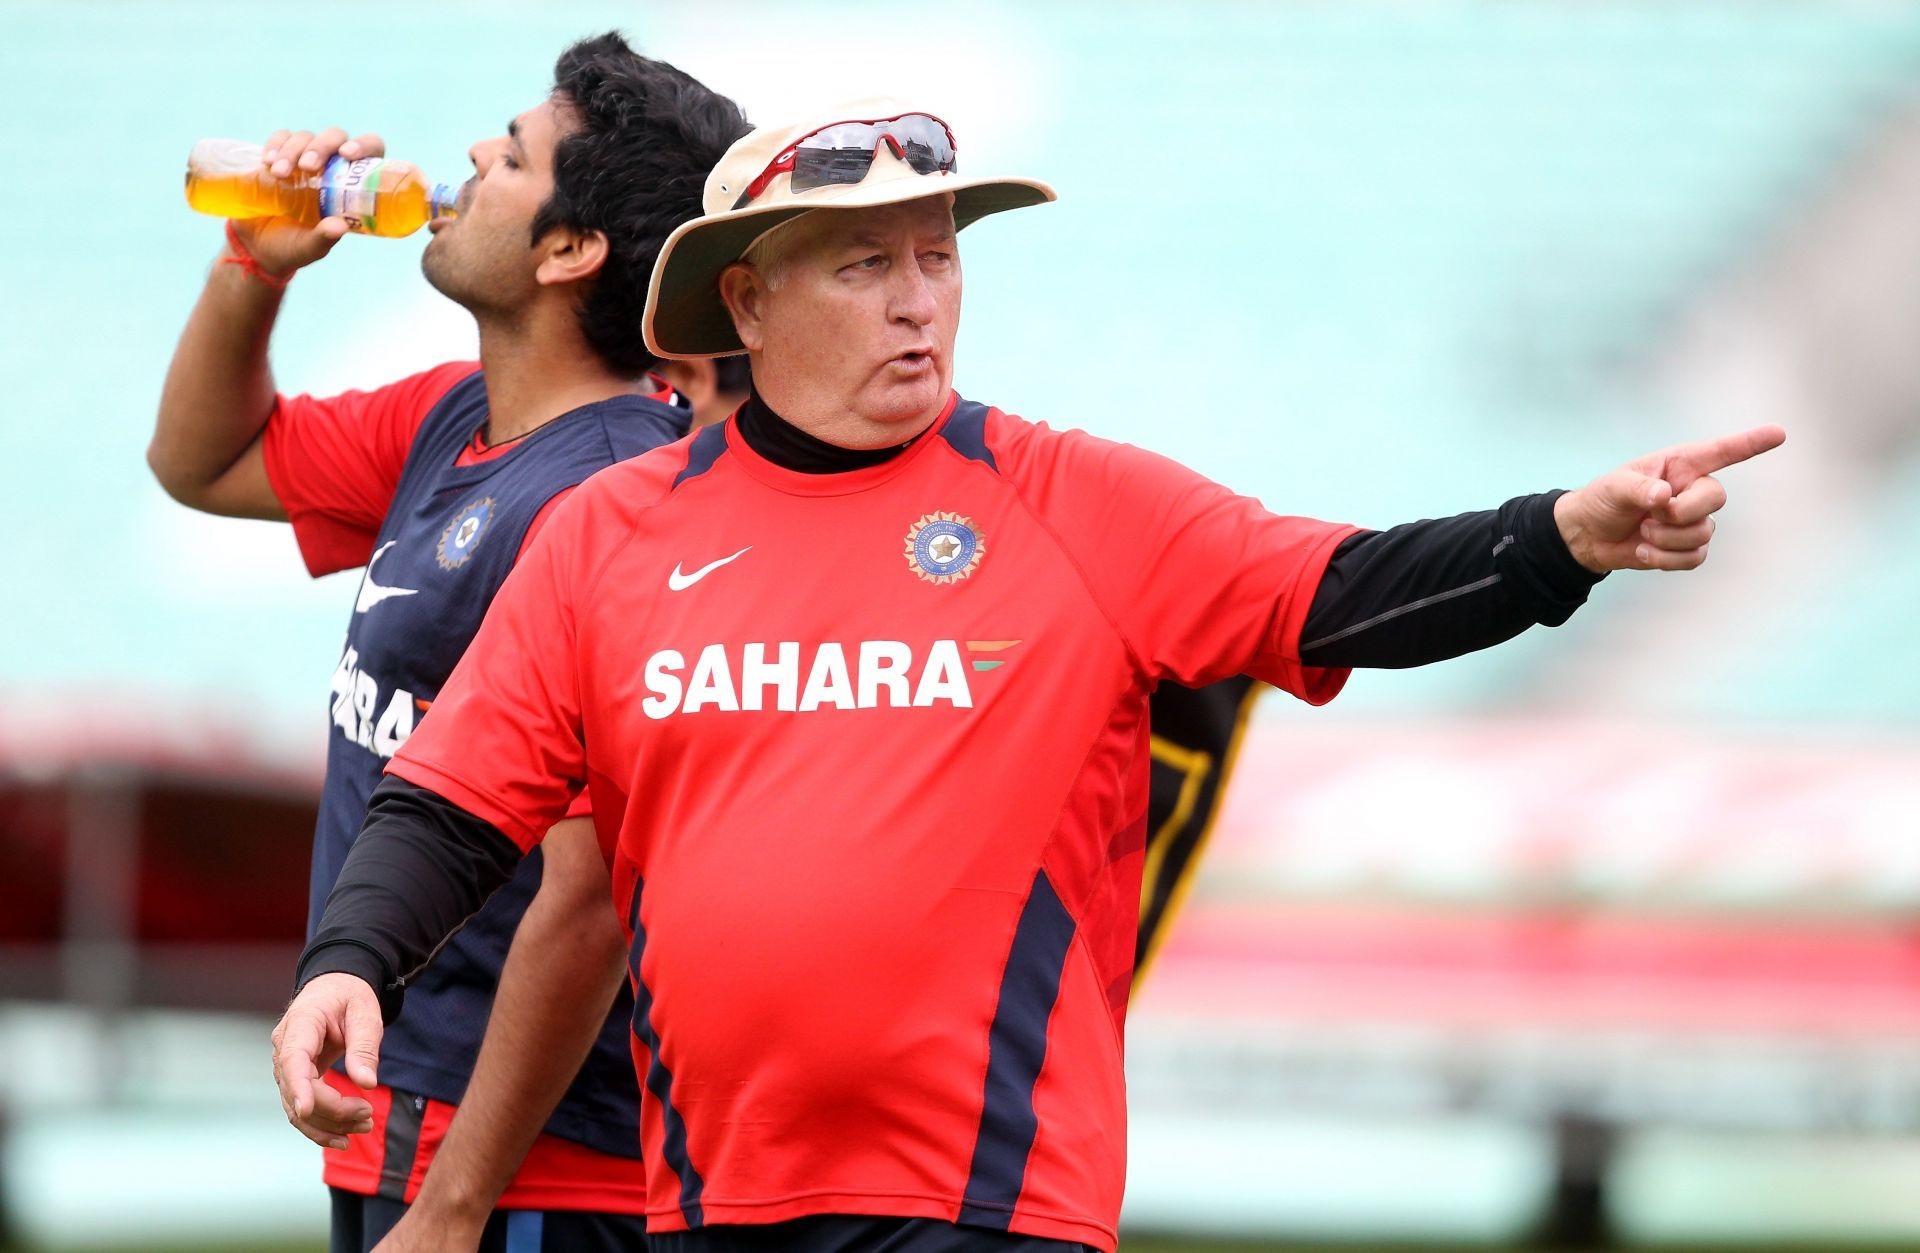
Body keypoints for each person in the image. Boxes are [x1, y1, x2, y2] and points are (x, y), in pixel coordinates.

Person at [272, 102, 1784, 1253]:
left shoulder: (1068, 498)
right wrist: (349, 961)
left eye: (940, 256)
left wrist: (1563, 540)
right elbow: (455, 799)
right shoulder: (613, 531)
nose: (922, 297)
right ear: (745, 301)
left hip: (989, 1205)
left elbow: (1337, 594)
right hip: (709, 1207)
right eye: (867, 264)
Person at [147, 33, 746, 1253]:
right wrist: (252, 271)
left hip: (529, 1168)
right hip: (407, 1120)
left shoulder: (619, 498)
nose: (474, 151)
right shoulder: (455, 416)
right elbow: (199, 461)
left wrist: (459, 1198)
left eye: (515, 153)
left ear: (571, 250)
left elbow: (591, 899)